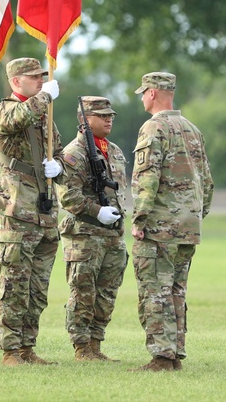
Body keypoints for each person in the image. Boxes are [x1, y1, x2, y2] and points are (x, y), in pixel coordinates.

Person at [0, 57, 64, 366]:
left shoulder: (45, 114)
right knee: (14, 284)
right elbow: (16, 120)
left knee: (37, 287)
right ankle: (11, 350)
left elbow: (57, 147)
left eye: (42, 76)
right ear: (16, 82)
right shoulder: (4, 109)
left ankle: (28, 347)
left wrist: (61, 166)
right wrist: (44, 98)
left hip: (43, 206)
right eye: (33, 77)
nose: (41, 80)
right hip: (15, 207)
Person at [129, 71, 214, 372]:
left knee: (155, 290)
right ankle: (175, 353)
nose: (141, 98)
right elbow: (207, 182)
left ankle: (161, 357)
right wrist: (195, 216)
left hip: (160, 226)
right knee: (177, 291)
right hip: (188, 227)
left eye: (143, 92)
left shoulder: (153, 128)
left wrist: (139, 217)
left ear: (152, 93)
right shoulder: (192, 128)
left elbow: (147, 178)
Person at [57, 96, 128, 362]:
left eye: (111, 115)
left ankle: (96, 344)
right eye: (103, 115)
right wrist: (98, 211)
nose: (109, 119)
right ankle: (82, 347)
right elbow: (68, 196)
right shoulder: (74, 153)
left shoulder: (115, 150)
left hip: (112, 234)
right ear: (85, 120)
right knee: (83, 292)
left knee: (107, 293)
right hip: (85, 234)